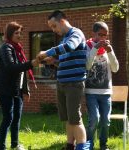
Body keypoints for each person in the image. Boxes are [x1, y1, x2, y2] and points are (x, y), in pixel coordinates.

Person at [37, 10, 90, 150]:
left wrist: (47, 52)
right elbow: (66, 59)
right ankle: (69, 145)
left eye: (54, 26)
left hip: (74, 83)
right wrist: (53, 61)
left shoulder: (76, 34)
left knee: (75, 119)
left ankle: (81, 147)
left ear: (62, 21)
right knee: (68, 118)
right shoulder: (64, 39)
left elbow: (69, 47)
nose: (53, 30)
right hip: (62, 83)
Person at [0, 21, 38, 150]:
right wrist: (31, 63)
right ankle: (1, 147)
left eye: (20, 32)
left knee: (17, 117)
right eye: (16, 33)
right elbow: (12, 68)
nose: (19, 35)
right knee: (8, 117)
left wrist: (26, 89)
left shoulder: (18, 48)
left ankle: (15, 143)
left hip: (16, 89)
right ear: (9, 34)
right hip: (5, 88)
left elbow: (22, 72)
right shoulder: (6, 48)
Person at [85, 21, 119, 150]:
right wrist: (95, 48)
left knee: (105, 121)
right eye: (100, 34)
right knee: (94, 119)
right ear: (93, 33)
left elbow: (115, 69)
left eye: (105, 35)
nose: (103, 38)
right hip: (91, 91)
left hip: (106, 92)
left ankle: (103, 144)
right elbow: (87, 66)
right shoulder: (87, 46)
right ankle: (89, 144)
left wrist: (110, 52)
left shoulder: (108, 48)